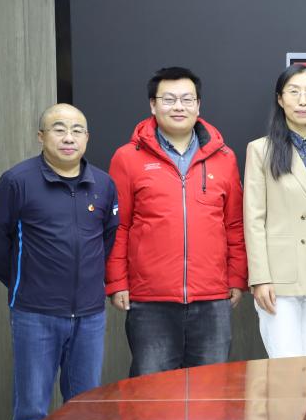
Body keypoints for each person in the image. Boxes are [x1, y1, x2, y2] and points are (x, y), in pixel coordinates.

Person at [106, 67, 247, 376]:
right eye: (168, 99)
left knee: (210, 390)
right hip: (150, 300)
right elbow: (119, 226)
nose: (178, 107)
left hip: (212, 298)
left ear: (199, 105)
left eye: (187, 99)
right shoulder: (127, 158)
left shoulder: (224, 158)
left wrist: (236, 277)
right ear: (153, 105)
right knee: (152, 392)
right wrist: (117, 282)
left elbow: (234, 224)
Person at [0, 104, 118, 420]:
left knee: (86, 410)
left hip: (89, 315)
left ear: (87, 137)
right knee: (32, 411)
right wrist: (27, 283)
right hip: (35, 313)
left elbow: (107, 240)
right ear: (41, 136)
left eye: (76, 130)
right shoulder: (17, 181)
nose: (68, 138)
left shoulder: (103, 184)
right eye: (59, 129)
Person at [243, 64, 306, 358]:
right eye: (294, 92)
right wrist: (260, 277)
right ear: (280, 98)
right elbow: (254, 218)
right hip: (279, 278)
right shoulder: (261, 150)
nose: (303, 100)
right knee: (285, 367)